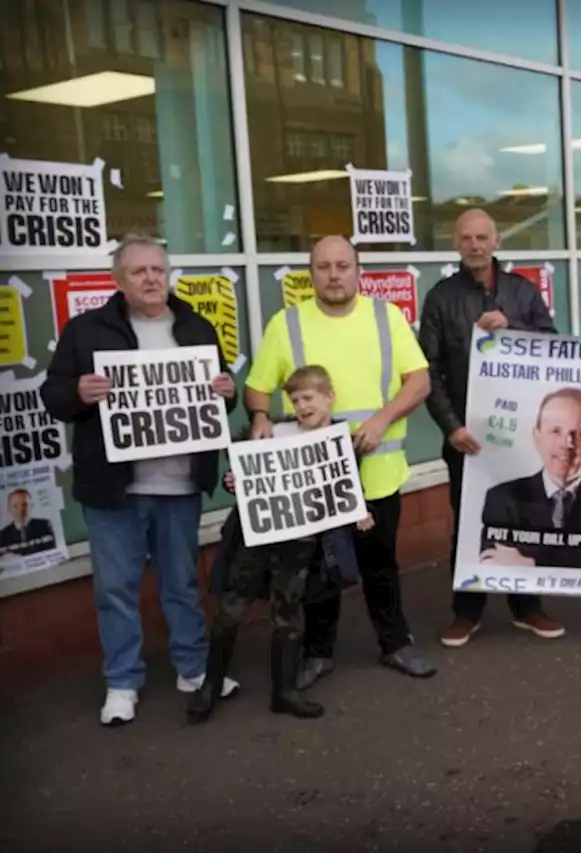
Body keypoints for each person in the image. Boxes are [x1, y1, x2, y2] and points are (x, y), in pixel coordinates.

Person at [40, 233, 242, 726]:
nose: (151, 279)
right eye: (139, 271)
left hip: (179, 484)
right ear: (118, 280)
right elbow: (53, 394)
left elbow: (221, 398)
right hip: (115, 489)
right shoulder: (87, 331)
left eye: (158, 269)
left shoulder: (196, 326)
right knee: (115, 587)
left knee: (181, 583)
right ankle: (122, 681)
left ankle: (192, 668)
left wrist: (228, 390)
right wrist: (79, 392)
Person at [244, 235, 435, 690]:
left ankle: (395, 643)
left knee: (380, 564)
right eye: (324, 267)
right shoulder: (286, 323)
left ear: (357, 270)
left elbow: (420, 382)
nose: (334, 275)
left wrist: (381, 419)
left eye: (342, 266)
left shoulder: (385, 316)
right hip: (315, 475)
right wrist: (258, 417)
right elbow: (257, 387)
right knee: (318, 570)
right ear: (310, 273)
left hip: (378, 473)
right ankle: (318, 652)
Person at [187, 365, 366, 724]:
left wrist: (359, 512)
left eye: (309, 397)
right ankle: (211, 685)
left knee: (289, 617)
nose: (302, 405)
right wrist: (234, 480)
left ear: (329, 397)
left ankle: (284, 691)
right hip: (257, 541)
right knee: (230, 610)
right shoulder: (270, 433)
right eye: (295, 399)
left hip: (300, 545)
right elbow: (245, 475)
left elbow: (342, 490)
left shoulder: (341, 443)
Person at [419, 208, 562, 649]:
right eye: (467, 237)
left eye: (483, 237)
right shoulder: (441, 298)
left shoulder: (522, 292)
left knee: (525, 518)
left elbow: (553, 347)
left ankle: (527, 607)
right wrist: (451, 427)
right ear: (456, 244)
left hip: (520, 432)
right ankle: (467, 612)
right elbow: (429, 370)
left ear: (497, 241)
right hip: (469, 438)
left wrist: (514, 326)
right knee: (470, 524)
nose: (476, 244)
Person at [478, 387, 581, 570]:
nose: (566, 444)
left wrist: (532, 562)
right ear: (536, 437)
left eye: (580, 434)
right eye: (555, 431)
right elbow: (493, 561)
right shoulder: (502, 498)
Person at [0, 489, 56, 557]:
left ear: (31, 506)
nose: (20, 509)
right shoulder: (2, 535)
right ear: (9, 509)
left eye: (24, 505)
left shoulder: (44, 525)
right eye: (15, 506)